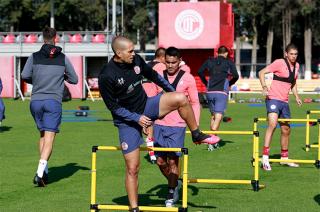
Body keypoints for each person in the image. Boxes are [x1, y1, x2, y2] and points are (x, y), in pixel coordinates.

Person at [98, 36, 219, 212]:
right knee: (133, 168)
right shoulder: (107, 75)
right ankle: (134, 208)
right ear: (118, 53)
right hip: (127, 121)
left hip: (146, 106)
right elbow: (113, 107)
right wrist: (136, 118)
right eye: (130, 51)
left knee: (180, 98)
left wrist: (170, 94)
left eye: (134, 50)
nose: (134, 54)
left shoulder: (137, 60)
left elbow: (154, 76)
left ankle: (196, 134)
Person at [21, 27, 78, 186]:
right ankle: (39, 173)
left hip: (36, 102)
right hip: (53, 102)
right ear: (56, 38)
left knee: (42, 135)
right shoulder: (63, 58)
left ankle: (44, 173)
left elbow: (25, 76)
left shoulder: (34, 56)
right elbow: (74, 79)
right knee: (50, 138)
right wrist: (63, 75)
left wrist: (37, 81)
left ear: (42, 39)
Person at [151, 47, 201, 207]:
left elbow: (194, 102)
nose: (171, 65)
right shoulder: (158, 76)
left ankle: (171, 192)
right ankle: (176, 183)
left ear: (180, 61)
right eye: (168, 62)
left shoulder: (188, 78)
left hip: (177, 126)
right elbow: (153, 99)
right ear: (164, 60)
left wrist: (195, 127)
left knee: (173, 162)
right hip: (159, 124)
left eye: (174, 62)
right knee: (160, 161)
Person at [258, 43, 302, 171]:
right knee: (272, 124)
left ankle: (284, 158)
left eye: (295, 54)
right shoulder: (279, 63)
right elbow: (261, 73)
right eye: (291, 54)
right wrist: (264, 86)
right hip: (273, 98)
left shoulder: (297, 66)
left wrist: (297, 97)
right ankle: (265, 158)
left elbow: (293, 82)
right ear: (286, 54)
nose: (294, 56)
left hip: (285, 101)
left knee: (286, 130)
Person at [198, 46, 239, 151]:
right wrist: (230, 83)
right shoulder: (229, 62)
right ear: (225, 53)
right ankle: (210, 139)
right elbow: (236, 75)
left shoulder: (209, 60)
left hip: (210, 91)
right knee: (219, 117)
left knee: (213, 116)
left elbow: (200, 71)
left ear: (218, 53)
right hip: (221, 92)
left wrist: (205, 82)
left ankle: (213, 140)